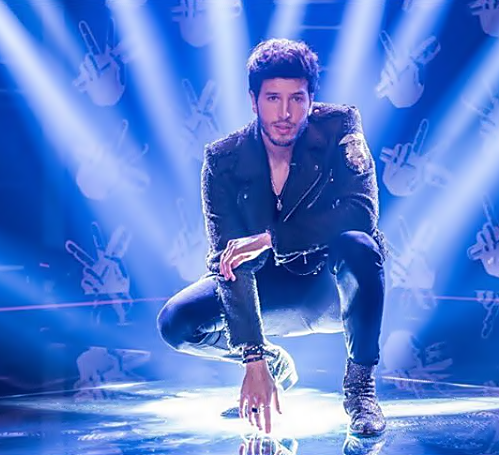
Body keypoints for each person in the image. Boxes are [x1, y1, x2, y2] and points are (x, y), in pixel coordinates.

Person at [157, 38, 387, 437]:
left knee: (360, 246)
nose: (285, 113)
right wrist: (254, 358)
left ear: (311, 99)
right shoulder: (223, 160)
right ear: (253, 100)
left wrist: (270, 238)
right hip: (267, 293)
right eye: (273, 99)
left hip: (330, 288)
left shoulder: (340, 126)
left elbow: (361, 212)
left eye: (297, 98)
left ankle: (360, 391)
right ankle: (274, 361)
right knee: (176, 321)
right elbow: (229, 260)